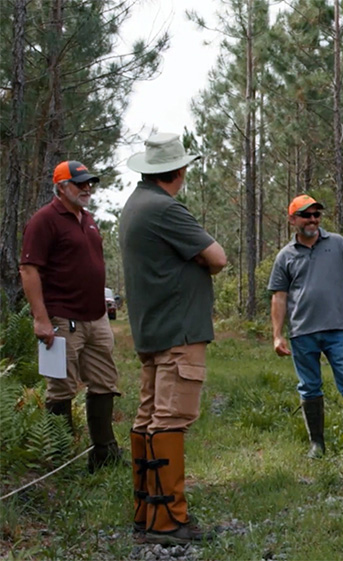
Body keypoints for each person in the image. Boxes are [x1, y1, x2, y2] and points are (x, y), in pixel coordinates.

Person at [120, 133, 227, 544]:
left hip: (154, 330)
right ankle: (168, 522)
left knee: (149, 418)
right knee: (169, 421)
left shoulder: (134, 205)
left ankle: (147, 513)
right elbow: (216, 257)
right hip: (178, 330)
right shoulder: (165, 208)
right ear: (179, 171)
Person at [19, 161, 124, 473]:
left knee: (105, 382)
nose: (87, 188)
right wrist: (41, 318)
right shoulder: (44, 221)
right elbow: (28, 269)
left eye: (89, 183)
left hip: (96, 318)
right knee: (61, 389)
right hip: (62, 319)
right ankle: (61, 460)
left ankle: (104, 455)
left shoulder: (88, 219)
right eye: (80, 183)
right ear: (61, 186)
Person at [269, 195, 343, 459]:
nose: (313, 220)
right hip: (302, 333)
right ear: (292, 219)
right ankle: (316, 445)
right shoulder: (285, 256)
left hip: (337, 330)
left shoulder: (338, 244)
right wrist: (277, 335)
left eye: (316, 215)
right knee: (309, 387)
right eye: (306, 215)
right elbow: (279, 296)